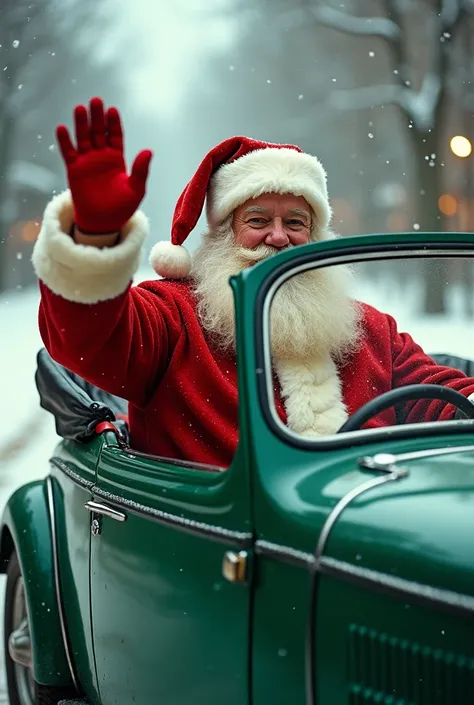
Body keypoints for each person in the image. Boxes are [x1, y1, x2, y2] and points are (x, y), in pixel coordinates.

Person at [32, 97, 474, 468]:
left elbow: (443, 395)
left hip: (367, 532)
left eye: (296, 222)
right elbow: (88, 341)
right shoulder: (174, 316)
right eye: (258, 220)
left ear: (316, 236)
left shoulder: (370, 330)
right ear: (224, 231)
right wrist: (93, 237)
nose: (279, 237)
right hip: (210, 551)